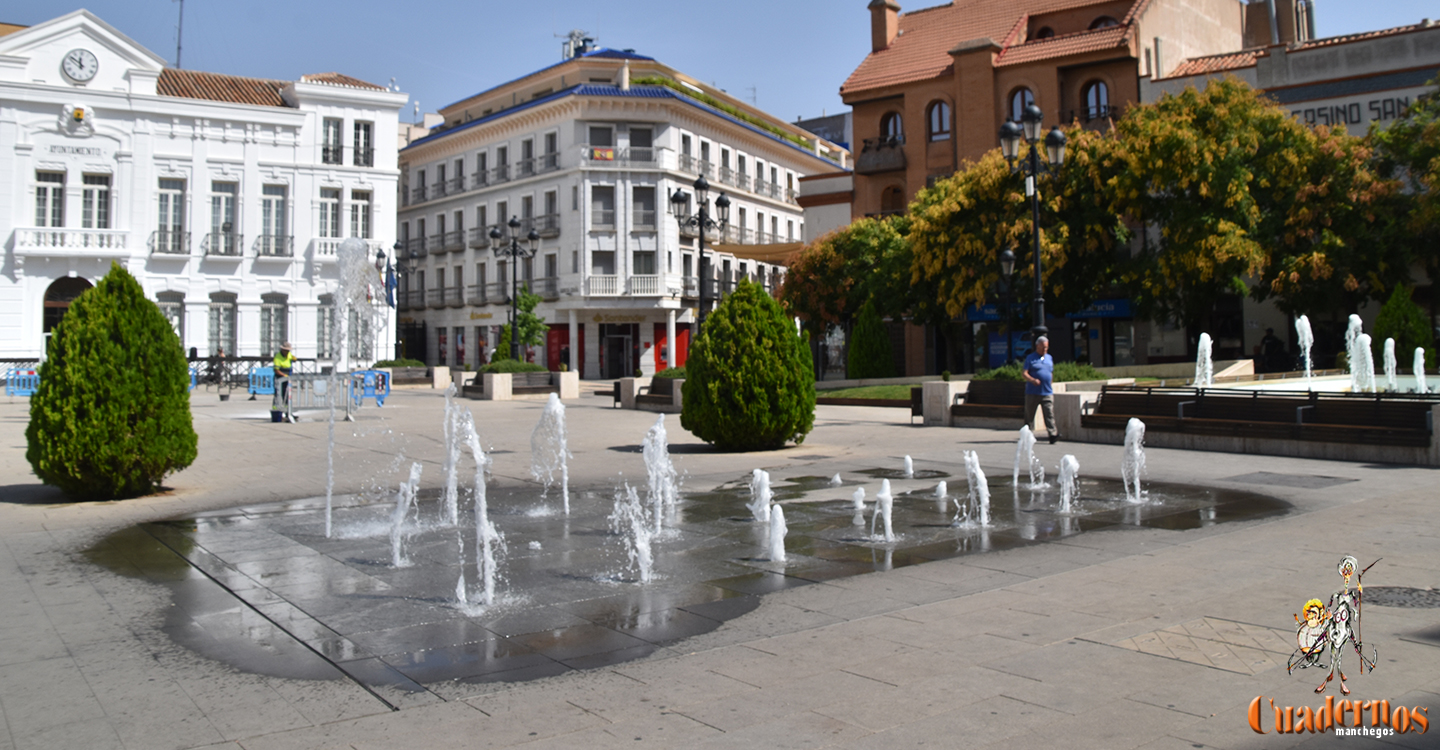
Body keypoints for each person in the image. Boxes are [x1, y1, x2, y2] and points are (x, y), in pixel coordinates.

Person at [1022, 335, 1059, 444]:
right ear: (1037, 346)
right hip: (1032, 392)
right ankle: (1027, 435)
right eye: (1043, 347)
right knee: (1029, 416)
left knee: (1049, 414)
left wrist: (1050, 382)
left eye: (1046, 348)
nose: (1045, 350)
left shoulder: (1049, 358)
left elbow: (1050, 372)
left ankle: (1053, 435)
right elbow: (1024, 373)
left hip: (1047, 392)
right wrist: (1032, 380)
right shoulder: (1030, 358)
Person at [273, 342, 296, 417]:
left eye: (289, 350)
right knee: (278, 394)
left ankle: (288, 412)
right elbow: (276, 370)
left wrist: (294, 359)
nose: (288, 352)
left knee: (287, 395)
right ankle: (276, 412)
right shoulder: (277, 357)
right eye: (286, 350)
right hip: (280, 377)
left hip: (287, 377)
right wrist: (284, 375)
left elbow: (292, 358)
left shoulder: (289, 354)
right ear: (282, 350)